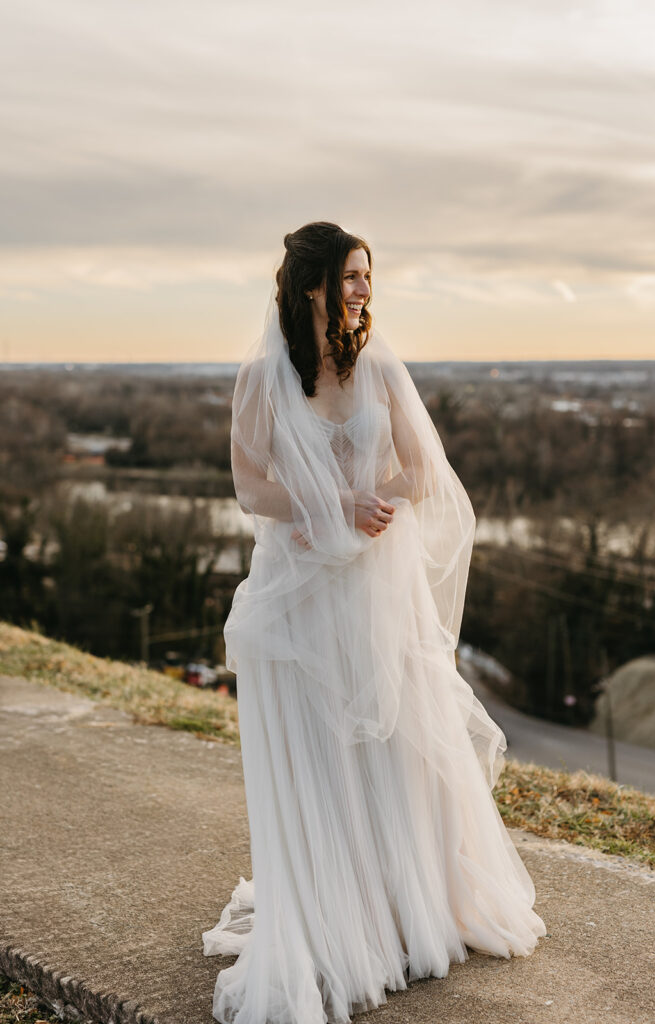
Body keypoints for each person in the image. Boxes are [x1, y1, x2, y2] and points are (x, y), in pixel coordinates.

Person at [202, 222, 547, 1024]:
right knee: (317, 750)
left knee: (391, 744)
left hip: (375, 587)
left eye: (366, 276)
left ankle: (400, 908)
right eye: (350, 276)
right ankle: (330, 916)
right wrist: (327, 506)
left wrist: (367, 507)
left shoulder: (381, 367)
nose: (362, 289)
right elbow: (250, 487)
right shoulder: (260, 377)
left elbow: (423, 471)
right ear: (311, 285)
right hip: (296, 590)